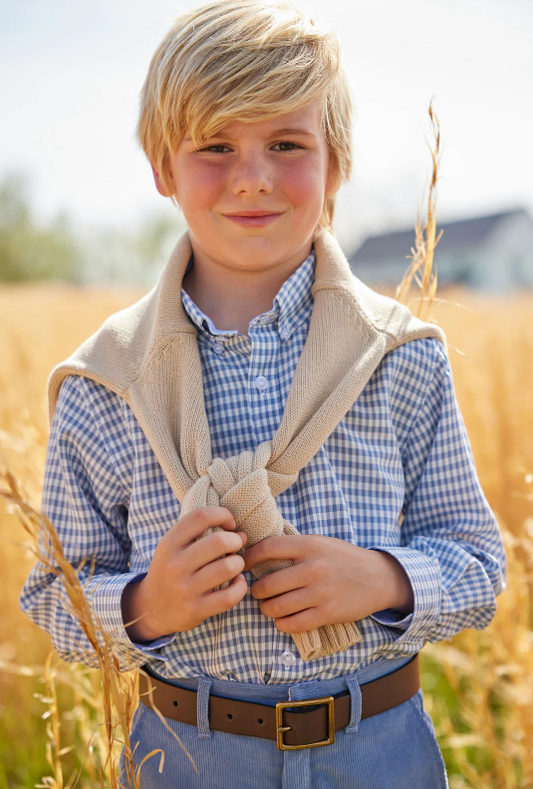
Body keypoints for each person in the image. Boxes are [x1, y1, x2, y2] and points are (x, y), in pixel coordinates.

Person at [20, 1, 506, 787]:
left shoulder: (400, 356)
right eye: (215, 145)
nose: (252, 176)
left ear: (335, 162)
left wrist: (382, 578)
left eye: (287, 143)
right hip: (184, 750)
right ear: (161, 167)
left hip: (378, 745)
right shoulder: (104, 379)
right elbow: (54, 597)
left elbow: (480, 563)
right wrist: (150, 603)